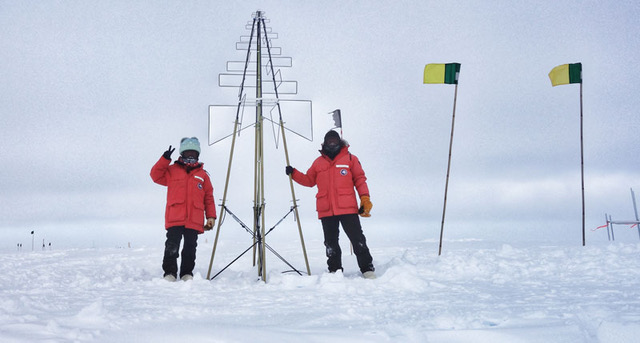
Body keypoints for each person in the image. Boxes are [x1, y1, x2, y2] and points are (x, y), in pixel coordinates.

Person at [286, 130, 376, 279]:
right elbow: (309, 180)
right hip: (327, 210)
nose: (332, 143)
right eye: (329, 141)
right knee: (330, 244)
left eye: (334, 140)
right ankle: (334, 271)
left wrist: (365, 198)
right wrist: (293, 173)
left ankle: (367, 269)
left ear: (339, 141)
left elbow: (360, 180)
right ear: (325, 142)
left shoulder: (350, 159)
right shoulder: (318, 162)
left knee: (357, 239)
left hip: (348, 209)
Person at [150, 137, 217, 282]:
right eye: (188, 153)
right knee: (171, 247)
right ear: (182, 154)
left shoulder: (203, 175)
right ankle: (170, 273)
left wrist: (211, 217)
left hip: (194, 219)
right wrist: (164, 159)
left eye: (193, 153)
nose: (191, 156)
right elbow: (155, 176)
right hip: (175, 217)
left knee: (190, 248)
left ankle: (187, 273)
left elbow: (209, 197)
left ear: (198, 155)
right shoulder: (171, 171)